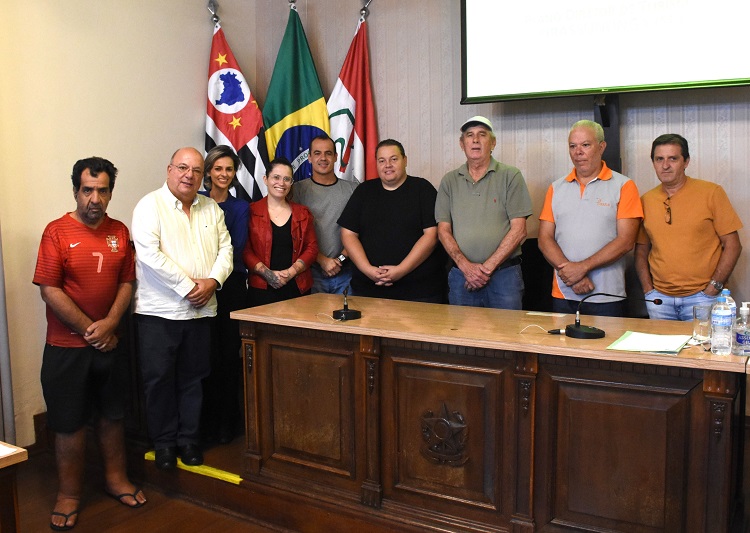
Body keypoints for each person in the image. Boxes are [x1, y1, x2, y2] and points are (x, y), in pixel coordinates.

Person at [33, 157, 146, 531]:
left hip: (111, 344)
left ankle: (116, 480)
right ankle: (68, 494)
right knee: (67, 423)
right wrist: (90, 330)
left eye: (102, 190)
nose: (94, 199)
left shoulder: (120, 231)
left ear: (111, 192)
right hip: (67, 348)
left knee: (113, 415)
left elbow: (127, 282)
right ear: (76, 191)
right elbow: (50, 290)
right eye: (87, 190)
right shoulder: (56, 232)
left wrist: (111, 323)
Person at [132, 147, 233, 470]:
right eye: (182, 168)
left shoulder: (211, 209)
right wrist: (190, 287)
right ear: (169, 169)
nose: (189, 175)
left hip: (201, 312)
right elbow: (149, 255)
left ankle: (189, 441)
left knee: (194, 379)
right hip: (159, 314)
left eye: (196, 171)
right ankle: (163, 444)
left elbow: (226, 250)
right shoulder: (150, 205)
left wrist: (213, 281)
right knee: (159, 380)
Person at [538, 120, 643, 316]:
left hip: (607, 296)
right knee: (562, 347)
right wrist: (574, 277)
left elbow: (626, 241)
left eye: (585, 145)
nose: (578, 152)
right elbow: (545, 239)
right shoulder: (556, 188)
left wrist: (582, 268)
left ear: (601, 147)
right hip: (563, 294)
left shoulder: (624, 186)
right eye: (572, 146)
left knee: (607, 347)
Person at [635, 134, 743, 320]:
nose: (665, 165)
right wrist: (648, 290)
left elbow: (733, 245)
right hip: (659, 301)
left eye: (673, 159)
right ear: (653, 162)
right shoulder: (646, 200)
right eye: (659, 159)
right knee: (660, 350)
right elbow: (641, 251)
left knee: (704, 349)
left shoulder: (711, 193)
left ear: (686, 162)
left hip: (703, 299)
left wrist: (713, 289)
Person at [435, 116, 532, 309]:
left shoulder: (511, 176)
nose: (475, 140)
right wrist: (466, 267)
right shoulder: (449, 181)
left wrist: (484, 270)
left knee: (506, 336)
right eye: (469, 135)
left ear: (493, 142)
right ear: (462, 144)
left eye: (482, 135)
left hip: (504, 276)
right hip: (460, 276)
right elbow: (443, 230)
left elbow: (519, 230)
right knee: (461, 338)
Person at [338, 139, 445, 302]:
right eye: (382, 160)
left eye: (393, 159)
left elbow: (431, 235)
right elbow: (348, 233)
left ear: (405, 160)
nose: (387, 165)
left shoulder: (422, 189)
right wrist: (368, 270)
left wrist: (401, 270)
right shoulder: (364, 191)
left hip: (419, 292)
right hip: (368, 290)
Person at [198, 145, 249, 445]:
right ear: (208, 172)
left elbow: (237, 245)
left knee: (228, 354)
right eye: (218, 168)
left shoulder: (240, 207)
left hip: (229, 286)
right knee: (205, 355)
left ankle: (229, 424)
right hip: (199, 287)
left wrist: (212, 274)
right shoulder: (197, 201)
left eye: (229, 169)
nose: (224, 174)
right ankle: (206, 423)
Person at [243, 158, 318, 306]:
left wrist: (290, 273)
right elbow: (245, 250)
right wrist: (268, 274)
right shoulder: (250, 211)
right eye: (276, 177)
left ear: (291, 182)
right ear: (265, 179)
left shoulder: (302, 213)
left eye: (287, 179)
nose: (281, 183)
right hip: (261, 289)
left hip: (297, 288)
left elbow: (312, 248)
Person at [292, 134, 358, 294]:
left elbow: (361, 230)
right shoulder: (297, 190)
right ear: (309, 158)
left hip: (346, 272)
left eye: (328, 153)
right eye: (317, 153)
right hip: (309, 272)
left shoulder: (353, 189)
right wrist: (321, 260)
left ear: (336, 157)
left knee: (347, 319)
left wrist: (339, 260)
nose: (323, 158)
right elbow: (294, 233)